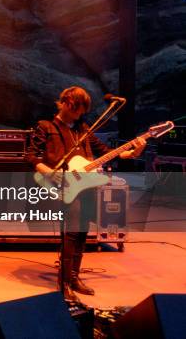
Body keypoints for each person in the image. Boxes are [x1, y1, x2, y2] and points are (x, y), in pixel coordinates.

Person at [26, 86, 146, 300]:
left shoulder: (84, 130)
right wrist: (50, 172)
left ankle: (73, 277)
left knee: (81, 231)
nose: (77, 114)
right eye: (74, 109)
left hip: (85, 186)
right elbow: (32, 156)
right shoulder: (46, 126)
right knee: (71, 231)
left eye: (80, 110)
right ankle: (64, 282)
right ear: (63, 103)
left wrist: (133, 151)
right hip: (61, 185)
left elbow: (107, 153)